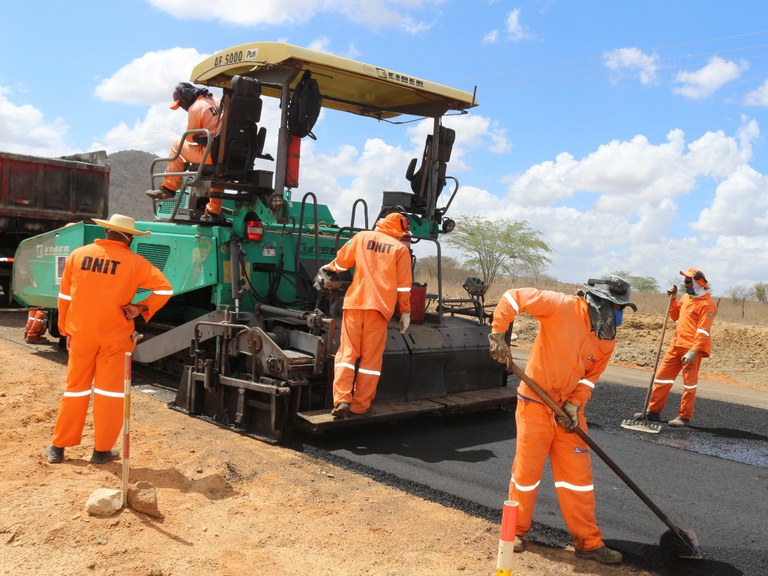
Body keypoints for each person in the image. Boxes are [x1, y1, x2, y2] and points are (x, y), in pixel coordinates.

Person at [488, 275, 636, 565]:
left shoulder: (606, 338)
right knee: (526, 473)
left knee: (578, 480)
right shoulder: (561, 306)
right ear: (597, 302)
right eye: (614, 307)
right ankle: (514, 531)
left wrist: (574, 404)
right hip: (534, 403)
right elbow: (512, 297)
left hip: (568, 413)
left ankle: (588, 543)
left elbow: (590, 379)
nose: (618, 315)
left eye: (621, 309)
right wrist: (497, 335)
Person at [44, 214, 173, 464]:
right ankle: (101, 451)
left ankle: (58, 448)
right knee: (109, 393)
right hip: (115, 338)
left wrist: (65, 330)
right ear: (128, 238)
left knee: (75, 390)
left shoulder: (78, 256)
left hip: (81, 334)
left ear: (107, 233)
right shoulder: (136, 263)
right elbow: (165, 289)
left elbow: (65, 298)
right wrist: (140, 308)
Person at [315, 212, 413, 418]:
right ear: (400, 230)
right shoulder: (400, 250)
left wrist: (328, 267)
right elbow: (404, 288)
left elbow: (341, 264)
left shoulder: (361, 238)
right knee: (370, 361)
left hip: (354, 305)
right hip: (378, 310)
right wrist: (405, 312)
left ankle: (341, 401)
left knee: (347, 354)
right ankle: (360, 406)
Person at [639, 268, 717, 427]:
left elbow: (703, 332)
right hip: (676, 345)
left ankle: (684, 416)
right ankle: (653, 411)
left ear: (698, 282)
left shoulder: (707, 305)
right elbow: (676, 317)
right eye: (685, 281)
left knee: (689, 384)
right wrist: (673, 299)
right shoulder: (686, 298)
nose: (685, 284)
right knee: (662, 378)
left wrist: (693, 351)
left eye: (688, 282)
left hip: (691, 349)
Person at [146, 82, 224, 221]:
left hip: (209, 154)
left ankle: (169, 188)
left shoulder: (196, 107)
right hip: (225, 155)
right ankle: (213, 210)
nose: (183, 108)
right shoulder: (217, 101)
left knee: (177, 144)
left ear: (188, 96)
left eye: (181, 104)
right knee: (219, 175)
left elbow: (189, 136)